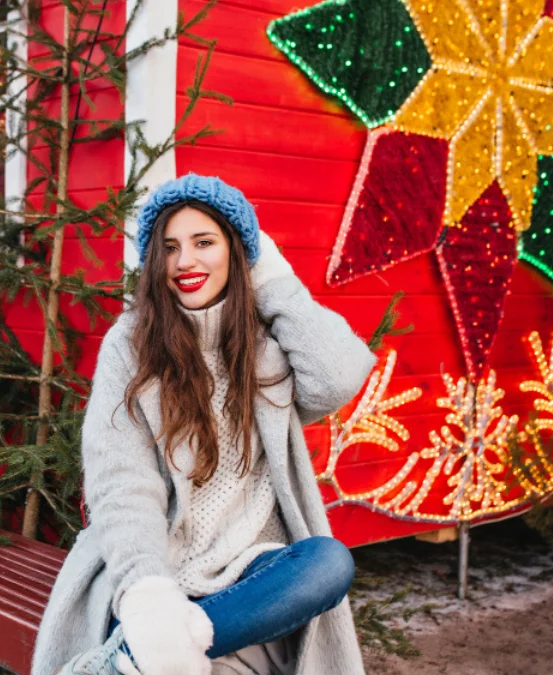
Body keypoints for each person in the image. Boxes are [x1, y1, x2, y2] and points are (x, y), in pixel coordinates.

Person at [31, 175, 375, 675]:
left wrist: (271, 273)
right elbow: (122, 487)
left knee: (328, 564)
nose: (184, 262)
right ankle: (149, 644)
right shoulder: (131, 346)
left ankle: (128, 660)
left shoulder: (265, 346)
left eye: (204, 242)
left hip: (246, 569)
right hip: (158, 559)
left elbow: (338, 376)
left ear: (238, 254)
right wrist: (149, 592)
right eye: (169, 247)